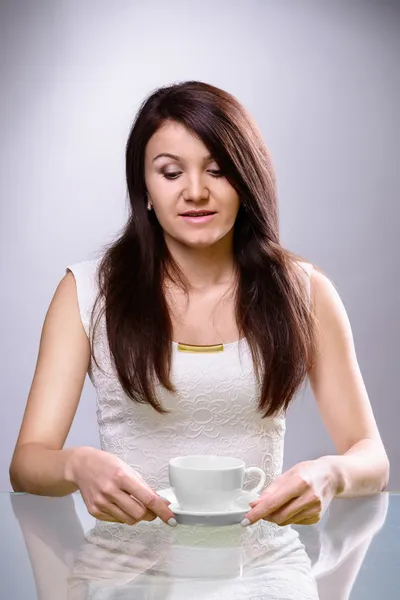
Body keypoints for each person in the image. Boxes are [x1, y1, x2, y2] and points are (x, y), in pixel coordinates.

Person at [9, 81, 389, 534]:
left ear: (246, 180)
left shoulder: (304, 292)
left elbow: (371, 457)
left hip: (258, 570)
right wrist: (77, 465)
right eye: (171, 173)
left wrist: (330, 474)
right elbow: (27, 463)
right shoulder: (88, 292)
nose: (195, 192)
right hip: (129, 572)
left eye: (218, 170)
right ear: (145, 189)